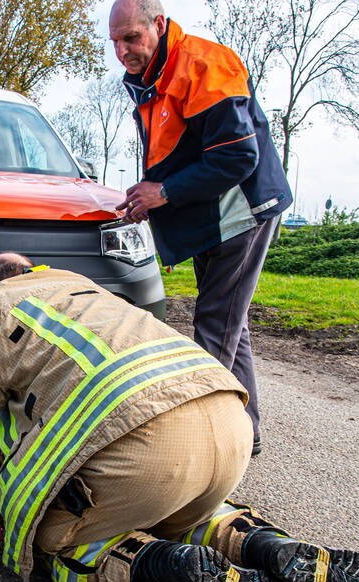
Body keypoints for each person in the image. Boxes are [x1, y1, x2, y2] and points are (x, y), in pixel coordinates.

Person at [0, 254, 359, 582]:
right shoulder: (88, 292)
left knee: (54, 544)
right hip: (227, 419)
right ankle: (266, 546)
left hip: (139, 445)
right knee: (181, 511)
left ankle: (161, 566)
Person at [109, 0, 293, 456]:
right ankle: (244, 434)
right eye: (115, 41)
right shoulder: (154, 76)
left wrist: (164, 192)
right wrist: (150, 197)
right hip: (213, 218)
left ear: (160, 24)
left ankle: (199, 445)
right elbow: (182, 153)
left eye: (131, 37)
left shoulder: (205, 64)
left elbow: (237, 156)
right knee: (231, 323)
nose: (123, 51)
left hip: (241, 214)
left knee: (214, 324)